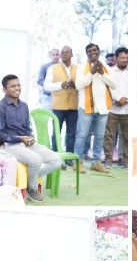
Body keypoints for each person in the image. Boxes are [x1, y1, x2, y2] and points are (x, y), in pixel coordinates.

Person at [0, 74, 62, 202]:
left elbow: (26, 127)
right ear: (4, 89)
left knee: (56, 160)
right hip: (9, 145)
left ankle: (29, 178)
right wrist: (20, 139)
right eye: (13, 86)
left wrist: (30, 137)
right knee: (36, 160)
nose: (17, 88)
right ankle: (32, 188)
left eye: (18, 85)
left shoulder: (24, 106)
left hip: (25, 143)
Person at [75, 43, 117, 173]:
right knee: (82, 135)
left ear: (99, 52)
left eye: (95, 50)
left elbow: (114, 85)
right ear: (87, 54)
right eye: (90, 51)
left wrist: (102, 73)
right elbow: (78, 85)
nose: (92, 52)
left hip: (102, 108)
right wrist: (91, 72)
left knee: (99, 136)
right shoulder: (81, 68)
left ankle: (96, 162)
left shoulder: (106, 68)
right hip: (85, 108)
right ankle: (78, 161)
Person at [44, 45, 79, 167]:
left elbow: (82, 85)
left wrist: (75, 84)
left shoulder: (78, 68)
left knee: (71, 133)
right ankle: (55, 157)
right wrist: (61, 85)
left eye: (67, 52)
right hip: (58, 106)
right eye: (62, 52)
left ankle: (69, 158)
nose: (64, 54)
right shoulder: (53, 68)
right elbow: (46, 85)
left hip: (74, 106)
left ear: (72, 54)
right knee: (56, 133)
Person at [103, 47, 129, 168]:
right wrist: (118, 99)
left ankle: (125, 161)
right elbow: (108, 88)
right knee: (109, 135)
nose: (125, 60)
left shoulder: (133, 71)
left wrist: (126, 100)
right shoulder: (110, 71)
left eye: (127, 58)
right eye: (122, 58)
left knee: (127, 136)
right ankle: (108, 160)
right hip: (112, 109)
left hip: (128, 109)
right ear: (116, 58)